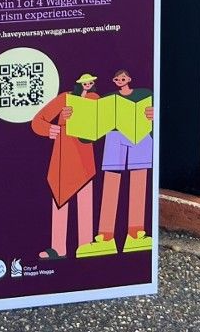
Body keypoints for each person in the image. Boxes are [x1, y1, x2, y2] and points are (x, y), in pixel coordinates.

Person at [82, 69, 155, 256]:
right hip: (115, 135)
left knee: (139, 179)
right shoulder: (109, 97)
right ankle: (105, 237)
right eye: (117, 78)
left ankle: (136, 233)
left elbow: (158, 111)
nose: (120, 81)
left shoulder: (145, 94)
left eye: (123, 78)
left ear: (129, 79)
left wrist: (153, 114)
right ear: (114, 80)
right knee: (111, 181)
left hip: (140, 133)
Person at [29, 73, 99, 260]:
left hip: (85, 157)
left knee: (85, 201)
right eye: (85, 82)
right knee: (60, 199)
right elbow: (37, 121)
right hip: (63, 155)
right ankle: (58, 248)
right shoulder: (65, 98)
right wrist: (54, 128)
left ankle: (85, 245)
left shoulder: (95, 100)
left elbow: (104, 124)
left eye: (91, 82)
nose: (88, 85)